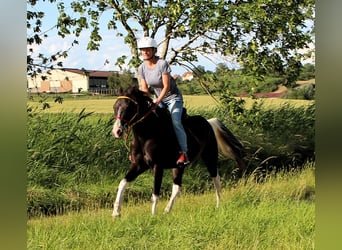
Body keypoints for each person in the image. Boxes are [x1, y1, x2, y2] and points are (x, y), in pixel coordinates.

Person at [137, 37, 190, 166]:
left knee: (176, 121)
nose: (145, 52)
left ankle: (184, 153)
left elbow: (166, 87)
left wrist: (157, 101)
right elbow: (144, 88)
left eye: (147, 50)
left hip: (173, 98)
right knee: (146, 121)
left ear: (154, 50)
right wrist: (145, 100)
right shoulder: (142, 67)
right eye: (142, 50)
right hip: (158, 99)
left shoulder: (162, 64)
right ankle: (141, 151)